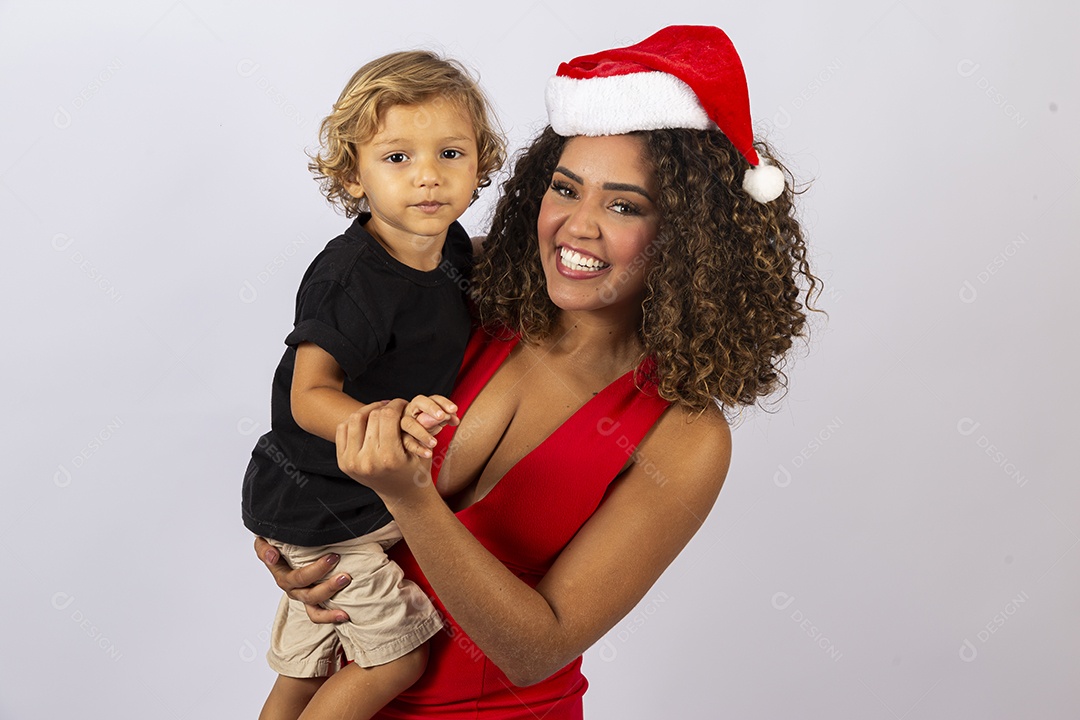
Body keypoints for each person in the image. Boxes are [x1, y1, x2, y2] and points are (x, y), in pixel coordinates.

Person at [255, 26, 820, 719]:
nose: (577, 227)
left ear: (691, 235)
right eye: (565, 189)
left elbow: (534, 650)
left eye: (623, 205)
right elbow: (317, 396)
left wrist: (411, 498)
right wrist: (292, 536)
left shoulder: (685, 437)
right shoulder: (460, 285)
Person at [241, 50, 505, 720]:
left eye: (451, 154)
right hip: (326, 506)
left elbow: (481, 266)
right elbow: (308, 394)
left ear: (480, 165)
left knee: (306, 671)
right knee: (398, 658)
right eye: (397, 157)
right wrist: (387, 419)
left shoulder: (447, 246)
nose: (428, 175)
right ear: (353, 176)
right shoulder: (351, 280)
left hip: (342, 502)